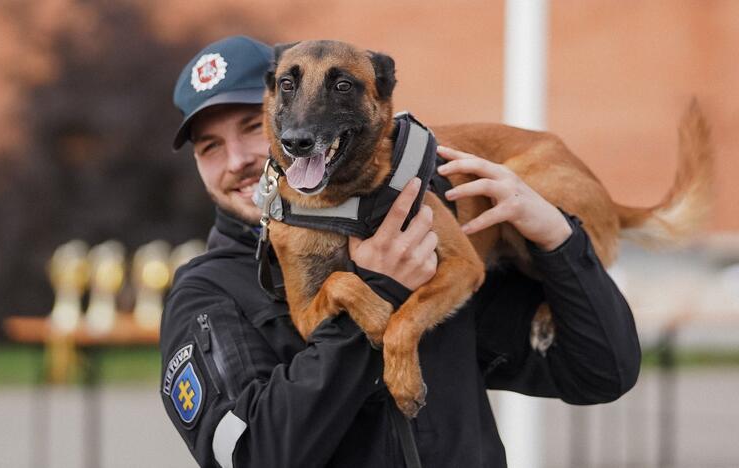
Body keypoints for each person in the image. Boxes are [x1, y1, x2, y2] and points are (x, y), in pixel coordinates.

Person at [159, 35, 641, 468]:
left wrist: (559, 244)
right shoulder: (205, 294)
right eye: (209, 148)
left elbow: (603, 372)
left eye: (248, 127)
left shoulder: (421, 229)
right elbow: (254, 458)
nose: (238, 161)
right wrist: (378, 290)